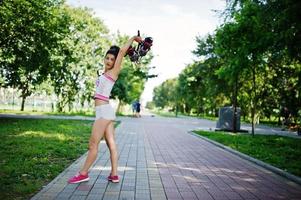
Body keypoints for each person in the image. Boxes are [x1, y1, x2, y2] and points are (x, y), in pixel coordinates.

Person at [68, 35, 143, 184]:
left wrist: (133, 38)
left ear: (115, 62)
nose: (109, 61)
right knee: (111, 144)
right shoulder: (103, 74)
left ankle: (83, 173)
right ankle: (114, 174)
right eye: (107, 58)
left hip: (103, 112)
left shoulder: (113, 73)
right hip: (105, 111)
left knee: (93, 144)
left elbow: (121, 52)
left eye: (112, 59)